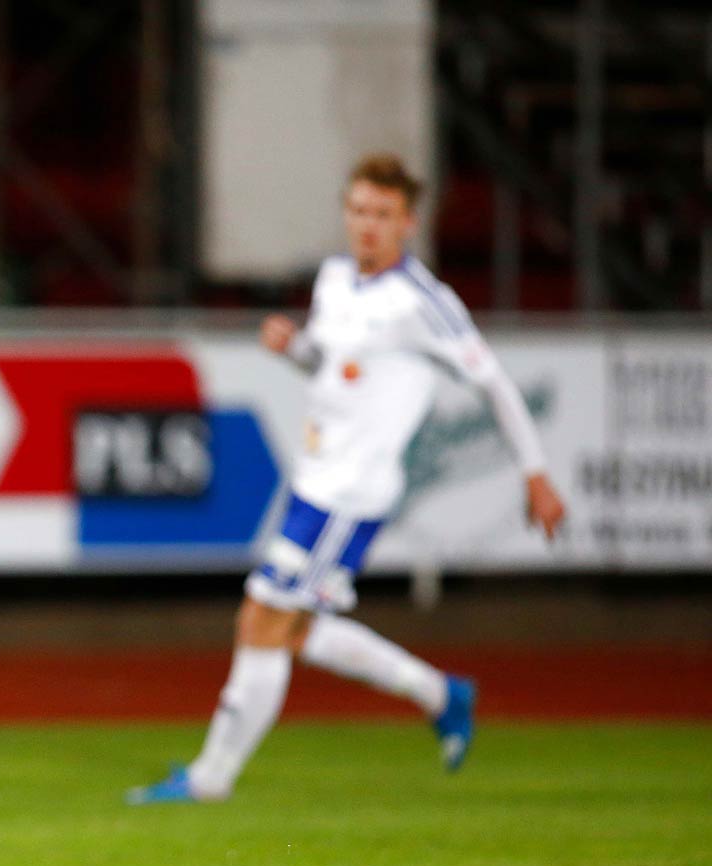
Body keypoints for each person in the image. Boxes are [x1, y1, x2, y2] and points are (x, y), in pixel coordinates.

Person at [128, 155, 567, 805]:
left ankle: (210, 779)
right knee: (296, 627)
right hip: (316, 481)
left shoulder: (423, 303)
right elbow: (334, 368)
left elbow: (494, 382)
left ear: (408, 223)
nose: (368, 225)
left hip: (353, 493)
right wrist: (296, 350)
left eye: (383, 214)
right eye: (359, 210)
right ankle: (440, 694)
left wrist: (536, 475)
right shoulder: (336, 280)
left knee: (263, 616)